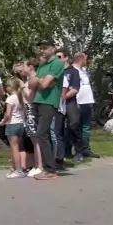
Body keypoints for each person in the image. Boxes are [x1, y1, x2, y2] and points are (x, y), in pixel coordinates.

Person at [29, 42, 64, 175]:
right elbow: (32, 84)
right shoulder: (43, 65)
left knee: (41, 133)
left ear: (53, 49)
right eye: (41, 48)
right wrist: (40, 81)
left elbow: (44, 85)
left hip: (49, 102)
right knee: (45, 134)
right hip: (38, 100)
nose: (42, 51)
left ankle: (50, 167)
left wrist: (40, 81)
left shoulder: (57, 63)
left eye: (45, 48)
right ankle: (49, 166)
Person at [1, 76, 29, 178]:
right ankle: (20, 167)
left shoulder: (10, 98)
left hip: (12, 124)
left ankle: (18, 170)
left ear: (9, 87)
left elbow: (8, 114)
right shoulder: (20, 97)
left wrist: (3, 121)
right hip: (21, 123)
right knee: (20, 147)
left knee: (14, 149)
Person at [73, 52, 96, 159]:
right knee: (75, 127)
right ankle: (76, 150)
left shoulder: (84, 71)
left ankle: (86, 149)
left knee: (86, 127)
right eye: (85, 59)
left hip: (87, 102)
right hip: (77, 102)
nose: (87, 61)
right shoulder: (72, 71)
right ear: (81, 59)